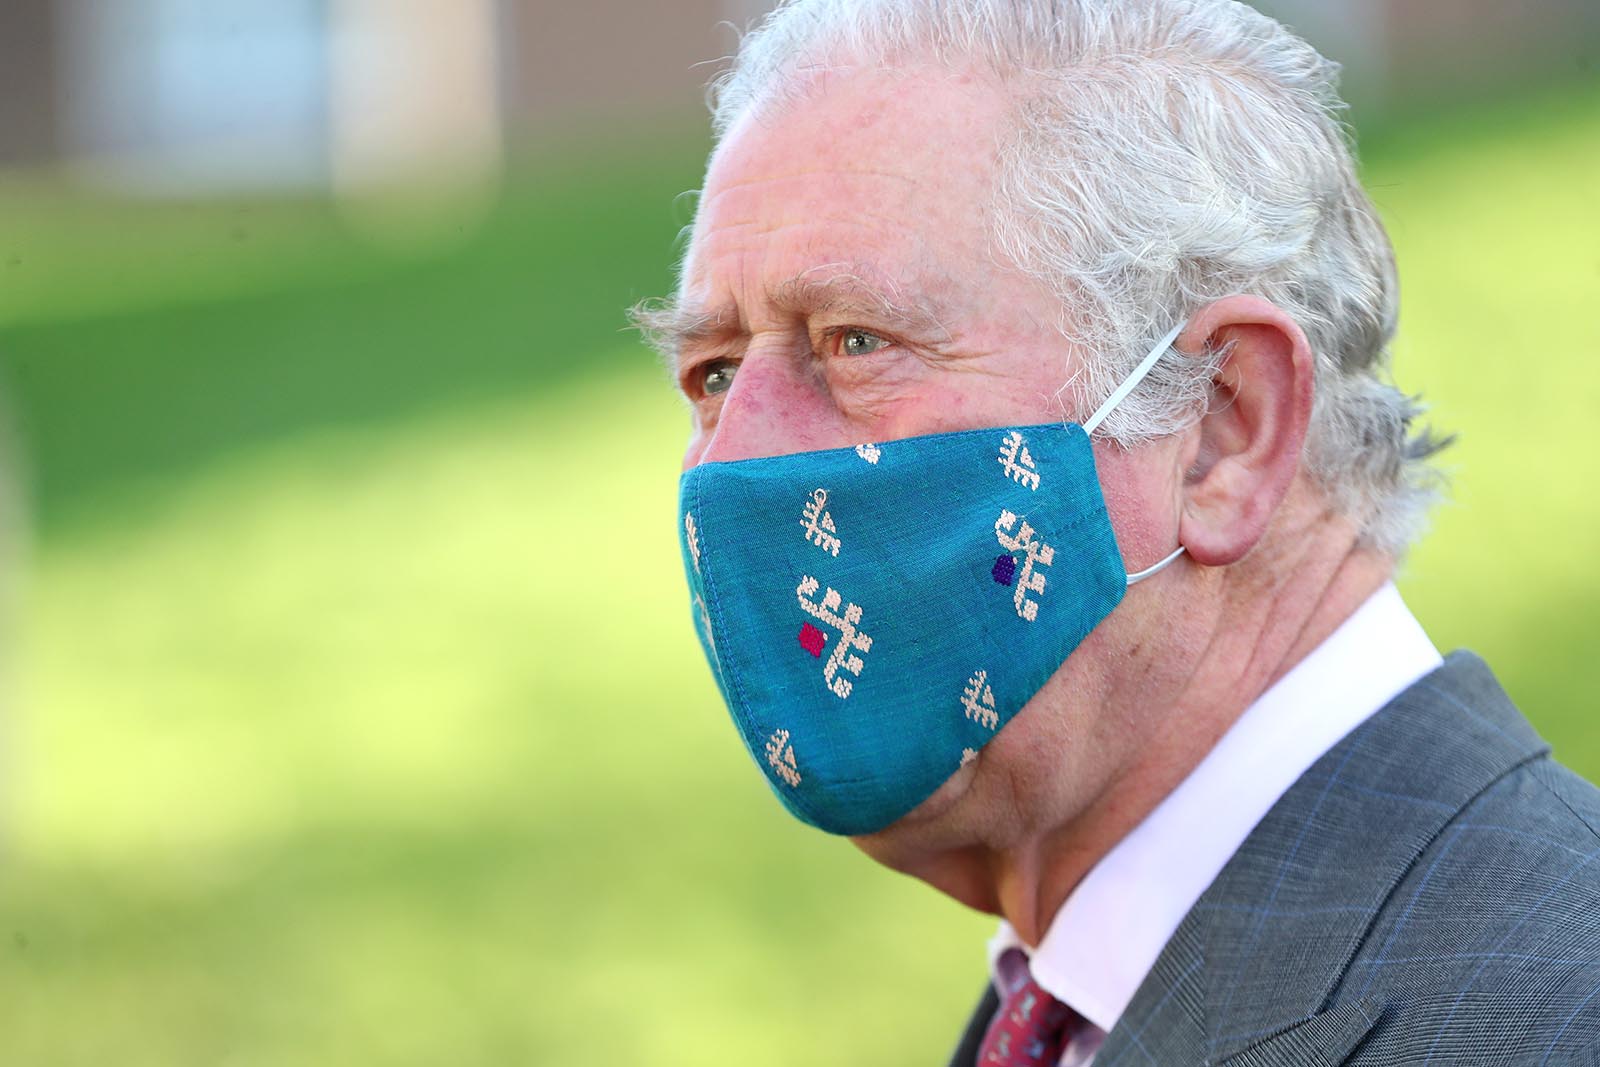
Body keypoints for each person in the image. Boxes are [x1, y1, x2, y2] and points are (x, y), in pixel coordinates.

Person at [634, 1, 1600, 1063]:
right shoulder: (1064, 1003)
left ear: (1221, 425)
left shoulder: (1553, 1007)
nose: (730, 460)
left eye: (856, 342)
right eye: (714, 372)